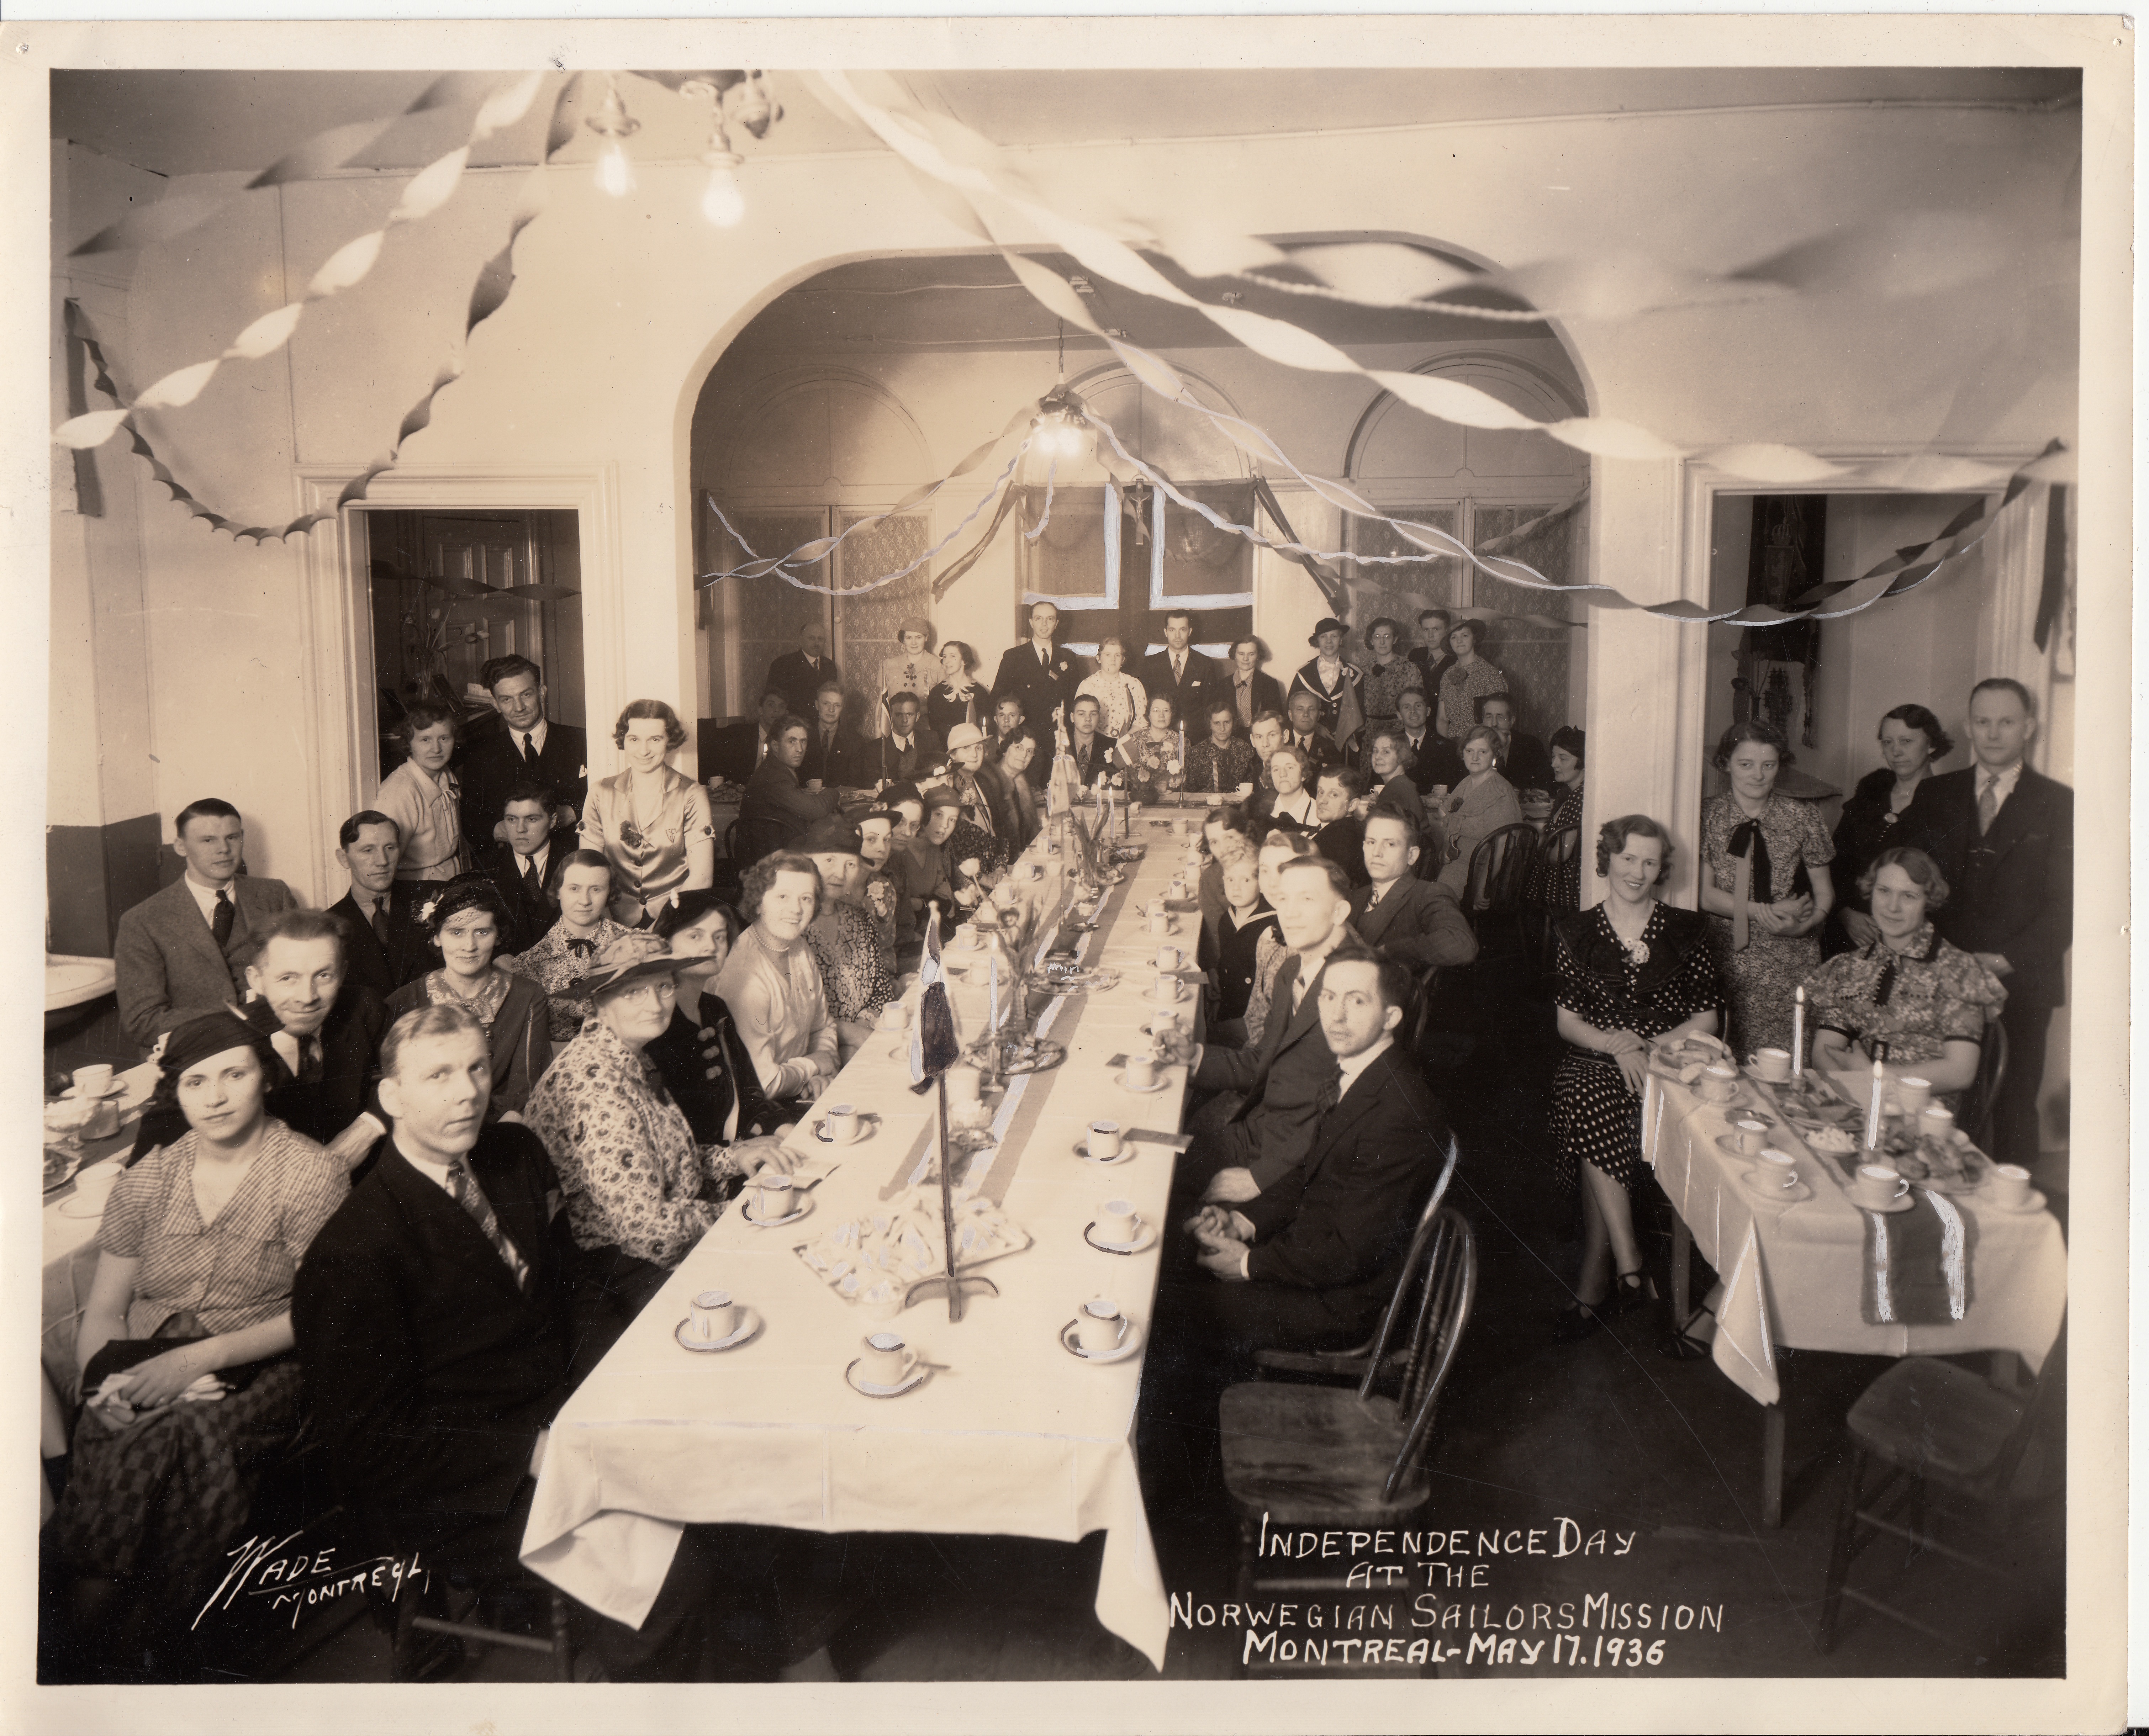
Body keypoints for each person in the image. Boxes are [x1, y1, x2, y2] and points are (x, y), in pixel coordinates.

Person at [291, 1005, 792, 1682]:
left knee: (736, 1480)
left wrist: (616, 1386)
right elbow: (374, 1445)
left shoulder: (512, 1159)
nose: (467, 1091)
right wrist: (529, 1451)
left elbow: (571, 1283)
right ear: (391, 1098)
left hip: (570, 1412)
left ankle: (754, 1687)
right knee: (674, 1576)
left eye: (475, 1067)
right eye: (438, 1075)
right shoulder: (353, 1251)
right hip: (469, 1483)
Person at [43, 1011, 347, 1655]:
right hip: (147, 1359)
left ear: (265, 1077)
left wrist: (194, 1364)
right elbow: (104, 1310)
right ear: (174, 1093)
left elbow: (318, 1317)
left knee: (186, 1431)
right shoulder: (147, 1180)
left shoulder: (309, 1173)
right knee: (119, 1426)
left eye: (234, 1075)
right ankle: (141, 1640)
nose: (215, 1097)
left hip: (271, 1362)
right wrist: (107, 1385)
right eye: (196, 1082)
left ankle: (101, 1638)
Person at [1163, 945, 1447, 1378]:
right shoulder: (1357, 1072)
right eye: (1328, 997)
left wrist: (1247, 1263)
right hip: (1314, 1258)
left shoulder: (1400, 1114)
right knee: (1170, 1255)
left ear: (1391, 1017)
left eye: (1357, 1000)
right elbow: (1305, 1175)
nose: (1336, 1015)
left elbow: (1350, 1253)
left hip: (1341, 1301)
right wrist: (1242, 1223)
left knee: (1163, 1305)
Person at [526, 934, 793, 1281]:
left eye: (664, 987)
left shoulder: (628, 1055)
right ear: (599, 1002)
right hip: (619, 1271)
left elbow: (660, 1159)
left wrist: (736, 1156)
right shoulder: (593, 1083)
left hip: (657, 1246)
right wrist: (743, 1212)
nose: (655, 1005)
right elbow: (647, 1231)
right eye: (634, 992)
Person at [1549, 816, 1720, 1343]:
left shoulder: (1688, 929)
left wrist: (1645, 1045)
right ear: (1608, 860)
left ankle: (1605, 1277)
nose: (1637, 872)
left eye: (1649, 862)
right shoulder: (1576, 931)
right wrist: (1613, 1044)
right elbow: (1568, 1022)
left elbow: (1707, 1020)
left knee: (1591, 1118)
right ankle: (1630, 1264)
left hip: (1671, 1060)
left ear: (1661, 868)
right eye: (1628, 859)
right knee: (1583, 1091)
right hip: (1597, 1058)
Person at [1895, 678, 2073, 1169]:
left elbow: (2070, 905)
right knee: (1927, 1103)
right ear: (1970, 727)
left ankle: (2018, 1230)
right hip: (1938, 979)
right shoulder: (1936, 794)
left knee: (2014, 1107)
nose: (1993, 733)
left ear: (2029, 728)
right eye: (1983, 721)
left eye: (2007, 722)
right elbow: (1907, 877)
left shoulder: (2062, 804)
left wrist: (2003, 960)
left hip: (2023, 981)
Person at [1154, 853, 1359, 1206]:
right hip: (1259, 1130)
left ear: (1339, 912)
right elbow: (1263, 1059)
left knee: (1151, 1182)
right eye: (1283, 898)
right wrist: (1196, 1056)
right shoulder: (1293, 968)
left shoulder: (1357, 989)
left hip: (1292, 1163)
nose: (1289, 913)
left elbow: (1352, 1117)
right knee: (1150, 1151)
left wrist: (1261, 1178)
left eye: (1306, 899)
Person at [1805, 847, 2006, 1102]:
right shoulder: (1848, 966)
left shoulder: (1959, 970)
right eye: (1884, 891)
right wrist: (1858, 1092)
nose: (1893, 907)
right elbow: (1824, 1052)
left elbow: (1961, 1072)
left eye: (1909, 896)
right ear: (1871, 891)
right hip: (1854, 1099)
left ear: (1928, 901)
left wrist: (1875, 1077)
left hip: (1921, 1109)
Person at [1699, 718, 1836, 1056]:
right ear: (1726, 764)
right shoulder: (1707, 815)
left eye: (1768, 765)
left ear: (1780, 766)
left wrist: (1808, 922)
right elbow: (1705, 894)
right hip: (1725, 951)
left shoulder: (1802, 816)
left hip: (1789, 954)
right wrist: (1762, 912)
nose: (1757, 775)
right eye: (1746, 764)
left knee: (1783, 1060)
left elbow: (1825, 894)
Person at [115, 798, 297, 1048]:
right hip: (198, 1052)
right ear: (181, 847)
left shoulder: (274, 896)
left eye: (232, 838)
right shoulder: (143, 921)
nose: (224, 849)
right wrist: (236, 1022)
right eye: (208, 840)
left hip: (279, 1042)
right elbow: (143, 1020)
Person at [225, 910, 390, 1171]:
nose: (308, 997)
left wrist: (369, 1127)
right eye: (288, 979)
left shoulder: (364, 1007)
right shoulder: (221, 1044)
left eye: (324, 976)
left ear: (343, 973)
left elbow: (421, 1070)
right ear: (256, 980)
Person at [388, 874, 552, 1118]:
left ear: (498, 936)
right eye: (456, 933)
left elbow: (524, 1091)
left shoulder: (528, 996)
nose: (469, 946)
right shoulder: (404, 1000)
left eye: (482, 932)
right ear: (436, 937)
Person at [645, 893, 790, 1147]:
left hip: (738, 1152)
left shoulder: (715, 1008)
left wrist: (786, 1130)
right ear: (664, 943)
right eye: (695, 936)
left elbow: (749, 1096)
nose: (711, 947)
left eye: (720, 937)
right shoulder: (653, 1021)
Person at [711, 851, 840, 1108]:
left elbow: (823, 1027)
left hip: (801, 1092)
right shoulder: (744, 974)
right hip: (753, 1110)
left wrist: (819, 1072)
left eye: (806, 898)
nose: (796, 909)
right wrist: (814, 1066)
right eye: (783, 897)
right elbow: (764, 1083)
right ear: (758, 902)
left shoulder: (799, 947)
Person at [1829, 702, 1953, 957]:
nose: (1896, 751)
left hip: (1915, 942)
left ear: (1931, 745)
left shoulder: (1950, 805)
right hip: (1851, 934)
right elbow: (1834, 863)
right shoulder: (1870, 795)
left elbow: (1949, 888)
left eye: (1906, 741)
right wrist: (1844, 914)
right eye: (1888, 743)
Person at [580, 699, 717, 927]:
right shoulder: (600, 792)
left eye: (655, 739)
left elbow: (702, 878)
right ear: (623, 740)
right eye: (634, 739)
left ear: (669, 741)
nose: (644, 751)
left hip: (675, 917)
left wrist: (660, 929)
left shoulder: (691, 794)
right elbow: (589, 871)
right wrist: (608, 929)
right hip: (611, 919)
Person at [499, 850, 635, 1043]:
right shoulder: (528, 964)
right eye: (574, 889)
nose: (585, 901)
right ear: (558, 892)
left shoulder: (636, 945)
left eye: (596, 889)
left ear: (610, 893)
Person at [455, 655, 588, 847]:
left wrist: (574, 812)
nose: (519, 708)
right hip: (509, 864)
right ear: (496, 704)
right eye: (507, 699)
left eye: (526, 695)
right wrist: (499, 830)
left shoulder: (581, 740)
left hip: (573, 857)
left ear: (542, 693)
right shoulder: (480, 755)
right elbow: (471, 823)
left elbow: (608, 799)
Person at [798, 815, 898, 1059]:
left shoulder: (860, 920)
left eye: (851, 864)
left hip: (860, 1044)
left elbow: (880, 990)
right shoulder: (793, 924)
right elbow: (791, 1012)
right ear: (806, 863)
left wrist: (861, 1032)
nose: (840, 874)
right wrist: (848, 1035)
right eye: (830, 860)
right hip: (810, 1056)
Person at [1348, 807, 1479, 972]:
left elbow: (1462, 944)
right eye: (1371, 842)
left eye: (1390, 844)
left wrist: (1387, 951)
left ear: (1412, 856)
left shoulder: (1427, 894)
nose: (1377, 853)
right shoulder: (1356, 897)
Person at [327, 809, 427, 998]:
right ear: (343, 859)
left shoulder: (432, 897)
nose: (382, 861)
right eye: (368, 850)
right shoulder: (327, 924)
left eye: (390, 848)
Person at [475, 778, 578, 954]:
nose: (520, 829)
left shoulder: (575, 861)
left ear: (553, 821)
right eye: (512, 819)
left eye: (531, 819)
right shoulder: (486, 868)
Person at [1241, 831, 1322, 1040]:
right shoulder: (1269, 936)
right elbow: (1256, 1014)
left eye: (1283, 870)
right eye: (1264, 871)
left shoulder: (1319, 942)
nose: (1272, 882)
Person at [375, 700, 467, 883]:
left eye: (444, 739)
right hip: (416, 883)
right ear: (409, 744)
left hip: (450, 875)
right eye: (425, 740)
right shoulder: (400, 790)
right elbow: (384, 857)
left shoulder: (446, 775)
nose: (436, 749)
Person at [736, 714, 841, 863]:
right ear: (776, 746)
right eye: (792, 741)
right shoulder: (774, 777)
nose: (800, 749)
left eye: (803, 742)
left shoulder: (776, 769)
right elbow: (817, 810)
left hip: (776, 853)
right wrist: (833, 792)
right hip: (767, 863)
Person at [1433, 726, 1524, 899]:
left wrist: (1482, 887)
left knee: (1431, 904)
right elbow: (1449, 819)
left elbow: (1505, 846)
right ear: (1463, 753)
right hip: (1458, 866)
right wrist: (1445, 850)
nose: (1475, 758)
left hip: (1484, 874)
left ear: (1495, 755)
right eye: (1469, 751)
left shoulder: (1501, 790)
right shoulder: (1466, 783)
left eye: (1483, 752)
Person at [1209, 850, 1278, 1038]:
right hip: (1229, 1006)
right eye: (1231, 880)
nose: (1236, 888)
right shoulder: (1226, 920)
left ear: (1261, 884)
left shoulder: (1272, 925)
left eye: (1246, 880)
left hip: (1256, 1019)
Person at [989, 599, 1081, 736]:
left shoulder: (1068, 657)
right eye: (1039, 619)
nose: (1045, 624)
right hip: (1025, 735)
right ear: (1031, 622)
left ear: (1056, 624)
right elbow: (998, 699)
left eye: (1050, 619)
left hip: (1058, 736)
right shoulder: (1013, 657)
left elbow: (1075, 700)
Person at [1527, 726, 1587, 912]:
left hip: (1562, 890)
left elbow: (1560, 855)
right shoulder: (1570, 793)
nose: (1554, 764)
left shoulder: (1579, 798)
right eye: (1554, 757)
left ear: (1584, 761)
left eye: (1563, 758)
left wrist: (1536, 853)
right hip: (1558, 884)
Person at [1287, 617, 1365, 751]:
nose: (1329, 642)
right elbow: (1291, 710)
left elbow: (1361, 713)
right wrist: (1316, 726)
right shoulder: (1304, 673)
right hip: (1312, 740)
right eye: (1324, 637)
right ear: (1317, 641)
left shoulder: (1355, 674)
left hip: (1344, 744)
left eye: (1334, 636)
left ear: (1341, 640)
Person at [1138, 609, 1223, 726]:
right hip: (1161, 735)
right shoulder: (1150, 664)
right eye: (1172, 630)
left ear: (1190, 632)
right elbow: (1145, 705)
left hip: (1195, 737)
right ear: (1166, 632)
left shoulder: (1205, 664)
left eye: (1182, 630)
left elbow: (1210, 708)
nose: (1177, 636)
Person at [1436, 619, 1507, 741]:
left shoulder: (1490, 674)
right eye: (1454, 637)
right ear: (1450, 643)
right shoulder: (1448, 674)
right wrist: (1448, 749)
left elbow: (1499, 720)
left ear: (1474, 639)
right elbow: (1442, 719)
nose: (1459, 641)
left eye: (1465, 636)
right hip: (1453, 745)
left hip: (1481, 743)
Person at [854, 689, 942, 788]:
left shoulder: (931, 740)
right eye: (899, 715)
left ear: (917, 717)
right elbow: (870, 786)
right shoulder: (874, 749)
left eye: (909, 714)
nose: (905, 720)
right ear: (890, 717)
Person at [709, 689, 793, 787]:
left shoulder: (790, 741)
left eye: (782, 707)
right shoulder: (740, 735)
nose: (777, 710)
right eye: (771, 705)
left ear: (787, 714)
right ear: (761, 711)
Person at [854, 807, 904, 973]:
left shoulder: (885, 887)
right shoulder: (834, 890)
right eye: (871, 840)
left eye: (887, 839)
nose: (883, 849)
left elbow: (886, 949)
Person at [1355, 616, 1424, 732]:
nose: (1382, 642)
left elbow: (1417, 705)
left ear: (1395, 639)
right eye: (1377, 637)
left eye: (1387, 637)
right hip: (1369, 731)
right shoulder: (1363, 670)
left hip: (1399, 730)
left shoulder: (1408, 668)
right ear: (1371, 641)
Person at [1387, 687, 1463, 793]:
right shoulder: (1390, 746)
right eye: (1407, 707)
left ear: (1428, 711)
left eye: (1418, 706)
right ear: (1399, 715)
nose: (1413, 711)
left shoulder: (1448, 748)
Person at [765, 618, 841, 722]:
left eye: (820, 639)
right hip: (795, 725)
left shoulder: (830, 666)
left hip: (822, 726)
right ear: (801, 640)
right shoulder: (783, 664)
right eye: (812, 638)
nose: (816, 643)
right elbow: (775, 702)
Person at [1479, 693, 1553, 799]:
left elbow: (1547, 783)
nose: (1494, 723)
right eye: (1489, 717)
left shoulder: (1530, 745)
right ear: (1483, 720)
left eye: (1500, 717)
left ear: (1512, 721)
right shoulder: (1474, 746)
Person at [1075, 635, 1148, 739]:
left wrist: (1125, 741)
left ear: (1123, 660)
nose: (1113, 660)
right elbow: (1080, 720)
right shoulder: (1087, 686)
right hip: (1096, 743)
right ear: (1099, 659)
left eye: (1118, 655)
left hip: (1128, 745)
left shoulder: (1134, 685)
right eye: (1108, 655)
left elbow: (1143, 720)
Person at [1183, 699, 1261, 796]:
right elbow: (1188, 791)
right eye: (1217, 723)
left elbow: (1251, 786)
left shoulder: (1245, 749)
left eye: (1227, 722)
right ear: (1210, 725)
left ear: (1233, 723)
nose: (1223, 729)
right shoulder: (1197, 752)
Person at [874, 616, 940, 733]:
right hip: (894, 732)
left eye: (919, 637)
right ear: (903, 640)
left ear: (926, 638)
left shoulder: (938, 666)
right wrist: (879, 739)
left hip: (926, 732)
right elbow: (882, 705)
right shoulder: (889, 665)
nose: (914, 643)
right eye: (909, 638)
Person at [798, 681, 866, 792]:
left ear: (842, 708)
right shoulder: (802, 736)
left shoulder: (856, 742)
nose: (831, 710)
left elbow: (855, 783)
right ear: (817, 705)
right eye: (826, 704)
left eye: (837, 705)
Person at [980, 731, 1042, 851]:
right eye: (1019, 748)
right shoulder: (990, 786)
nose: (1024, 755)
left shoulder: (1019, 784)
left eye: (1029, 751)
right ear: (1005, 750)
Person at [1311, 766, 1371, 889]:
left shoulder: (1339, 837)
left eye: (1334, 795)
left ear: (1353, 805)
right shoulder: (1350, 827)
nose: (1323, 800)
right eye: (1321, 792)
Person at [1362, 727, 1429, 834]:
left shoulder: (1396, 789)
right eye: (1376, 751)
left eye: (1386, 752)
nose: (1377, 757)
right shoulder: (1401, 783)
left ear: (1401, 756)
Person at [941, 722, 1001, 841]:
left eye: (978, 748)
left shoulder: (984, 782)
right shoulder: (949, 787)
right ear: (953, 755)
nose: (974, 754)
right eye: (966, 748)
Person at [925, 640, 985, 742]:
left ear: (964, 660)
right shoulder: (936, 693)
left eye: (953, 656)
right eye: (944, 657)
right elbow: (935, 732)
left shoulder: (980, 693)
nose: (947, 661)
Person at [1225, 636, 1287, 733]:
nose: (1246, 659)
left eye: (1251, 654)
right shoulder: (1224, 684)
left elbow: (1276, 720)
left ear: (1258, 656)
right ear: (1235, 655)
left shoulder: (1270, 684)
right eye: (1241, 654)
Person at [1256, 742, 1318, 830]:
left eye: (1290, 768)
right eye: (1276, 769)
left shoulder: (1318, 815)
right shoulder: (1262, 813)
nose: (1282, 774)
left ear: (1303, 775)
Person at [1282, 688, 1342, 775]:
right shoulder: (1280, 743)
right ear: (1291, 715)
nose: (1306, 714)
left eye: (1312, 709)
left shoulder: (1331, 749)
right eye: (1300, 709)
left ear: (1318, 716)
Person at [1065, 693, 1115, 787]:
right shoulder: (1059, 744)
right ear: (1072, 717)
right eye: (1082, 714)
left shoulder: (1112, 746)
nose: (1088, 719)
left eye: (1093, 714)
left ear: (1099, 717)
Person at [1407, 607, 1456, 694]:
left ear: (1447, 631)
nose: (1431, 636)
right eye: (1426, 630)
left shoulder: (1456, 658)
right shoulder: (1415, 655)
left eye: (1436, 629)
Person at [1248, 709, 1287, 793]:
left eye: (1272, 735)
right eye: (1259, 737)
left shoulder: (1295, 772)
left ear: (1285, 736)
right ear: (1252, 741)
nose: (1265, 744)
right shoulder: (1257, 771)